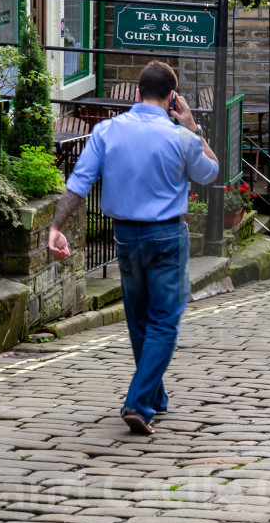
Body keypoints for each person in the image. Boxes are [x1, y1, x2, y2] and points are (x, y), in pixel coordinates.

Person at [48, 61, 219, 434]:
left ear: (138, 93)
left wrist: (55, 227)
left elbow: (79, 183)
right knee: (164, 320)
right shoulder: (181, 138)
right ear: (172, 98)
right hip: (166, 238)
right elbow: (211, 171)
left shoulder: (107, 130)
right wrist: (192, 125)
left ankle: (155, 398)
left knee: (140, 319)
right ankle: (139, 404)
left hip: (125, 238)